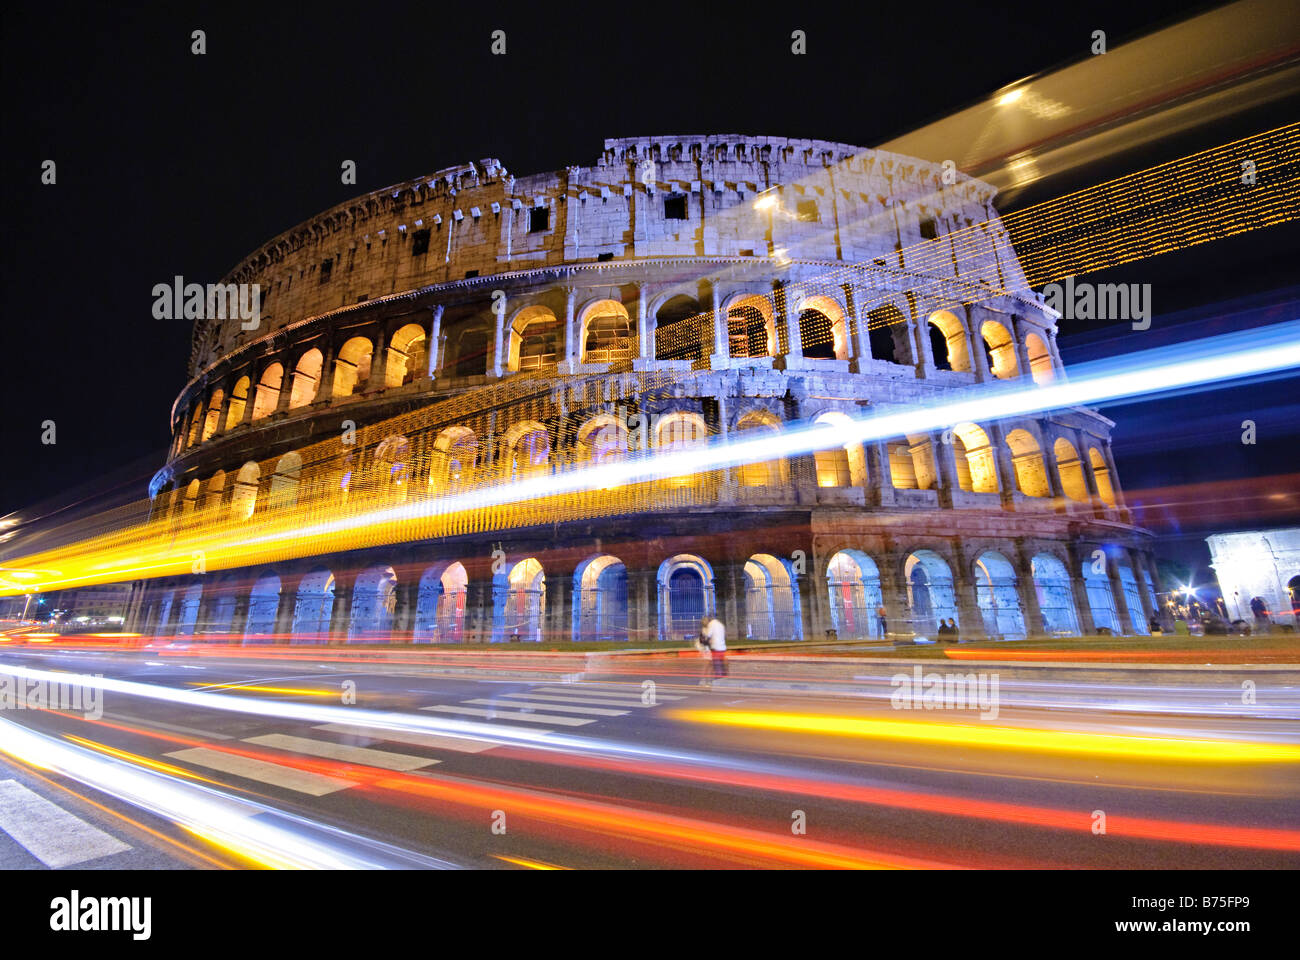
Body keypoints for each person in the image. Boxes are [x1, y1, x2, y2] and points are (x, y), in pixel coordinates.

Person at [697, 615, 727, 683]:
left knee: (716, 666)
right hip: (722, 648)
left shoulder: (711, 624)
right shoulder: (720, 624)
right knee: (720, 665)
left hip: (715, 648)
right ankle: (722, 680)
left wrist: (704, 634)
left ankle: (718, 682)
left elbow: (708, 635)